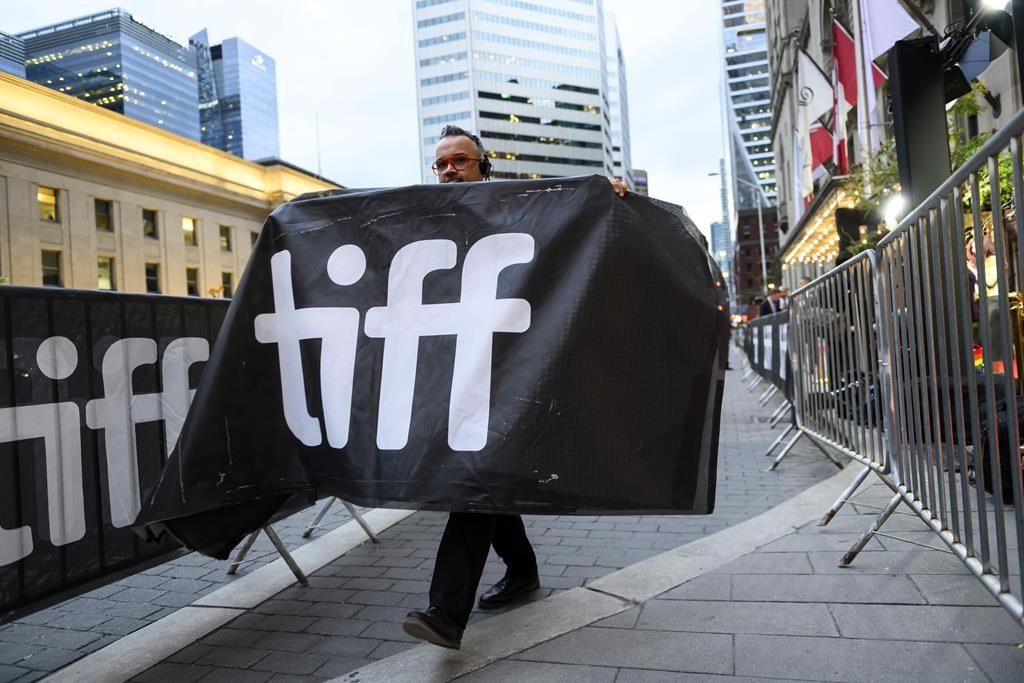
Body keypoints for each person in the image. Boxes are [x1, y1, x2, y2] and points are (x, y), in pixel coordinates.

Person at [402, 125, 626, 650]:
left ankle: (446, 612)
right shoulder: (426, 222)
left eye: (460, 160)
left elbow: (568, 218)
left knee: (475, 479)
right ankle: (522, 571)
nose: (449, 170)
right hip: (459, 373)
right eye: (441, 164)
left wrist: (605, 195)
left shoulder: (518, 208)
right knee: (487, 478)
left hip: (514, 369)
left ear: (483, 166)